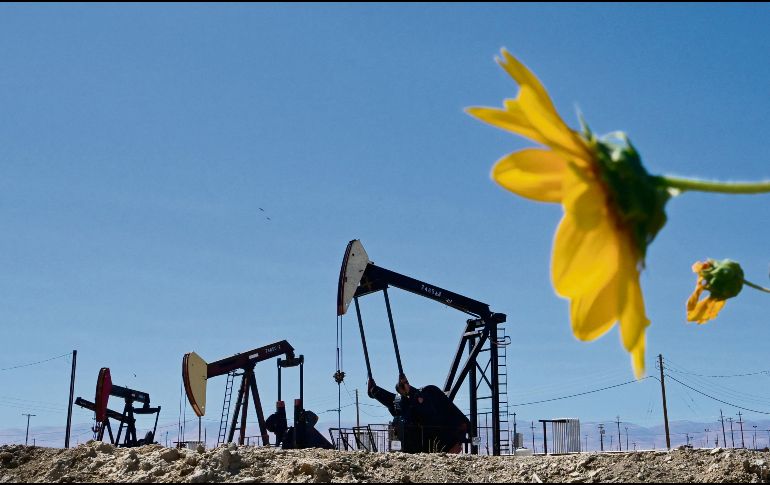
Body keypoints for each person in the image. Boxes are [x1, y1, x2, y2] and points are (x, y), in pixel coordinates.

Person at [368, 375, 469, 453]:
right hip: (420, 443)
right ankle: (375, 390)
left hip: (429, 442)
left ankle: (375, 391)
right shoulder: (428, 395)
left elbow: (428, 412)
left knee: (404, 404)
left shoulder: (431, 395)